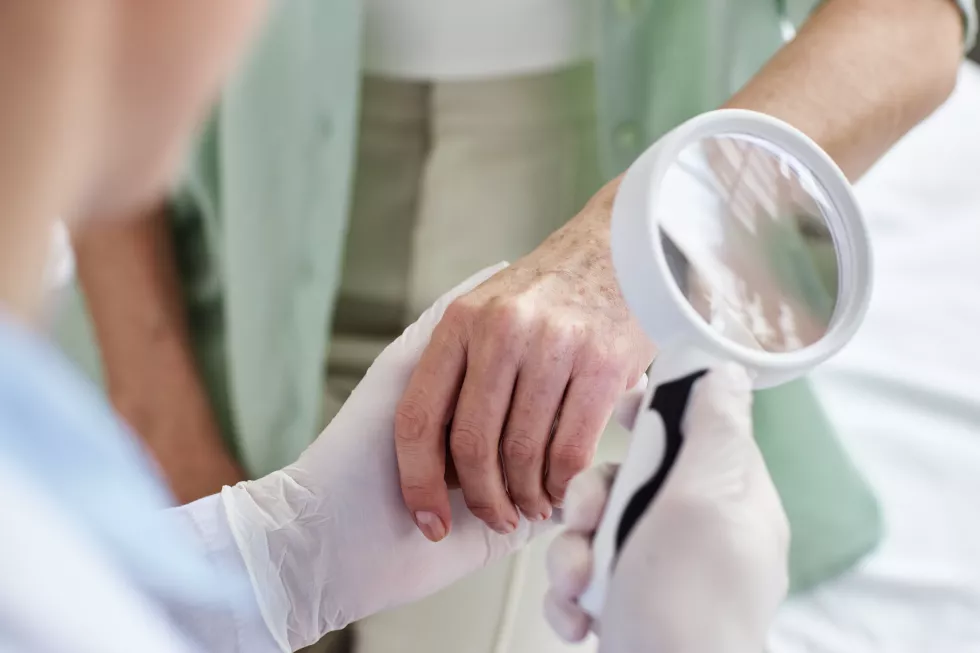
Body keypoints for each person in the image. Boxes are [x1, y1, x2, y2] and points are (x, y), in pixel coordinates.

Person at [54, 0, 976, 650]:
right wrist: (162, 412)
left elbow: (915, 13)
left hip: (573, 198)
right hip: (205, 201)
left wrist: (631, 251)